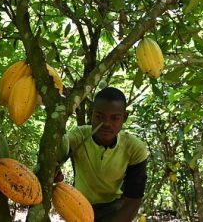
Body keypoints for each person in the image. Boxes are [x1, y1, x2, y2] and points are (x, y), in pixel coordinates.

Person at [55, 87, 149, 222]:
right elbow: (54, 156)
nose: (106, 124)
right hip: (78, 204)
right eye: (99, 116)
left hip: (114, 209)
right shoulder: (77, 137)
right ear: (91, 114)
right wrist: (54, 169)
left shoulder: (134, 148)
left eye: (115, 118)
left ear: (124, 117)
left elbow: (133, 200)